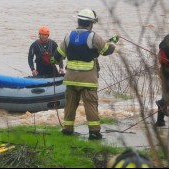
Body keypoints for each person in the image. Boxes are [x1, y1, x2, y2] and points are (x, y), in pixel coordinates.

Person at [51, 9, 119, 140]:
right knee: (91, 106)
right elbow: (106, 51)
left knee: (70, 105)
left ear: (79, 21)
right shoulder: (94, 37)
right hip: (88, 80)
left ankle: (67, 129)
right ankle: (94, 133)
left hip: (70, 79)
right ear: (91, 23)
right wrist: (112, 43)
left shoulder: (68, 36)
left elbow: (58, 56)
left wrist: (54, 60)